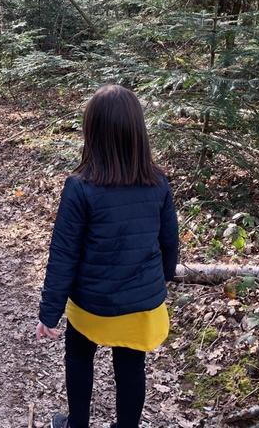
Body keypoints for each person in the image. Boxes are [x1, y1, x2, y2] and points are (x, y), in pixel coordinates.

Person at [36, 85, 179, 428]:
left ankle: (78, 423)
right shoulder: (157, 182)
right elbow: (169, 242)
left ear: (92, 132)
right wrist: (160, 281)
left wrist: (50, 311)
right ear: (138, 132)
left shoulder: (80, 186)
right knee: (131, 367)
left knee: (79, 357)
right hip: (140, 306)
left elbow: (64, 254)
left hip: (91, 307)